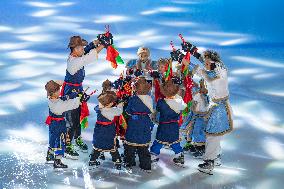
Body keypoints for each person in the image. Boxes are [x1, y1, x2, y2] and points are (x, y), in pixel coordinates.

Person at [182, 50, 233, 175]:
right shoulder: (218, 66)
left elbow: (205, 73)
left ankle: (210, 161)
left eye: (207, 61)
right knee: (214, 134)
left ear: (213, 62)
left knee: (212, 135)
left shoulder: (216, 74)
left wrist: (188, 63)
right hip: (217, 107)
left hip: (220, 110)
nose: (205, 63)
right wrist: (193, 51)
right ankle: (216, 157)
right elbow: (206, 64)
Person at [62, 35, 111, 159]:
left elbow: (86, 51)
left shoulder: (78, 55)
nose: (83, 48)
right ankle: (66, 146)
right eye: (81, 47)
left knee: (77, 117)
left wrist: (98, 41)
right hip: (71, 92)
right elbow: (87, 58)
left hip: (77, 89)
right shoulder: (74, 62)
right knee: (71, 120)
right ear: (75, 49)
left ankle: (77, 138)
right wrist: (103, 45)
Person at [45, 80, 89, 169]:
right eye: (58, 90)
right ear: (53, 93)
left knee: (53, 139)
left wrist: (74, 95)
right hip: (59, 124)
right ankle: (57, 161)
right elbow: (68, 105)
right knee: (60, 141)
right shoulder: (59, 104)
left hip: (52, 124)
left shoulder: (51, 99)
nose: (59, 91)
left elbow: (64, 98)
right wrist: (79, 99)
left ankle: (49, 156)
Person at [150, 80, 187, 166]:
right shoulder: (179, 101)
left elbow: (157, 109)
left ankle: (153, 155)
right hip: (174, 126)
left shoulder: (161, 102)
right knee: (175, 141)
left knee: (158, 141)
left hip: (163, 126)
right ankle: (179, 155)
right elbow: (184, 106)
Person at [124, 77, 154, 173]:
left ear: (136, 88)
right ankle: (146, 166)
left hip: (134, 122)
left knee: (130, 145)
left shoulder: (133, 99)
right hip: (145, 121)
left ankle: (129, 163)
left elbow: (128, 112)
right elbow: (151, 111)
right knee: (144, 146)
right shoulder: (150, 99)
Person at [89, 91, 123, 170]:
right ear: (110, 103)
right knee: (111, 146)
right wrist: (120, 103)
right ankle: (117, 160)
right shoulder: (112, 111)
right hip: (109, 130)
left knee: (97, 146)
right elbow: (119, 111)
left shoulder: (99, 109)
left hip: (99, 130)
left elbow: (99, 105)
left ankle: (92, 160)